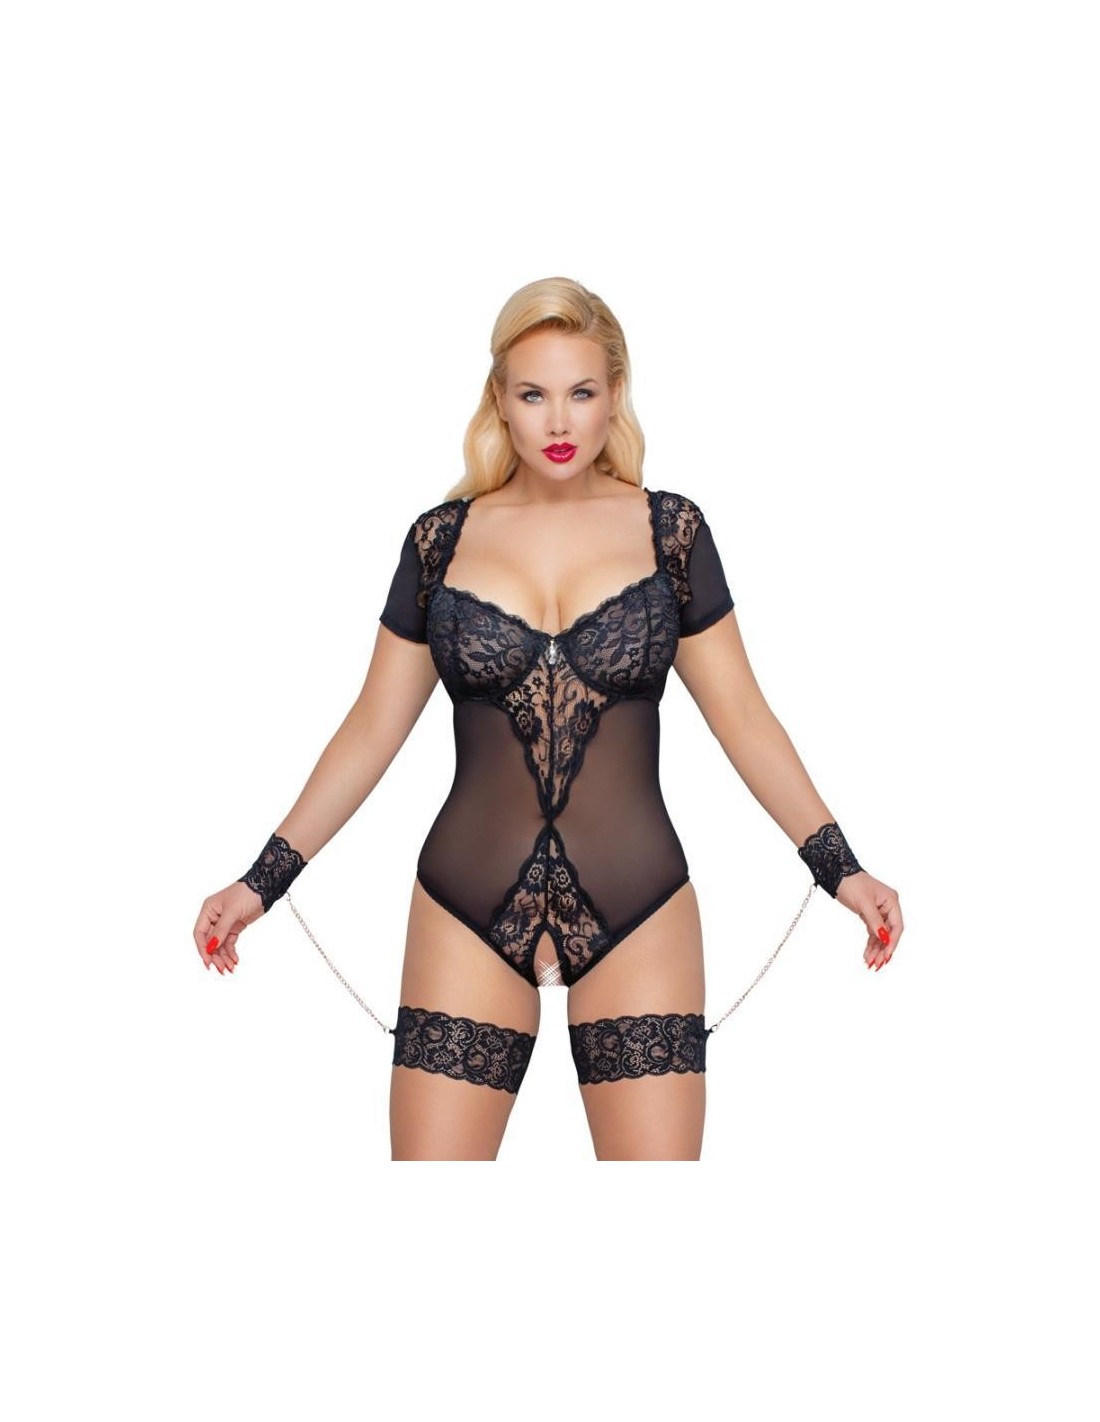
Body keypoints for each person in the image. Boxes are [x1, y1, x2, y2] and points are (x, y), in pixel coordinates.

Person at [192, 276, 903, 1161]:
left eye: (581, 392)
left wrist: (842, 869)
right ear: (499, 399)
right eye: (533, 394)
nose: (559, 422)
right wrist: (259, 883)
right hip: (465, 903)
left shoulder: (671, 532)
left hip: (639, 903)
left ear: (616, 394)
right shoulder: (439, 541)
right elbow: (372, 728)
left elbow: (744, 719)